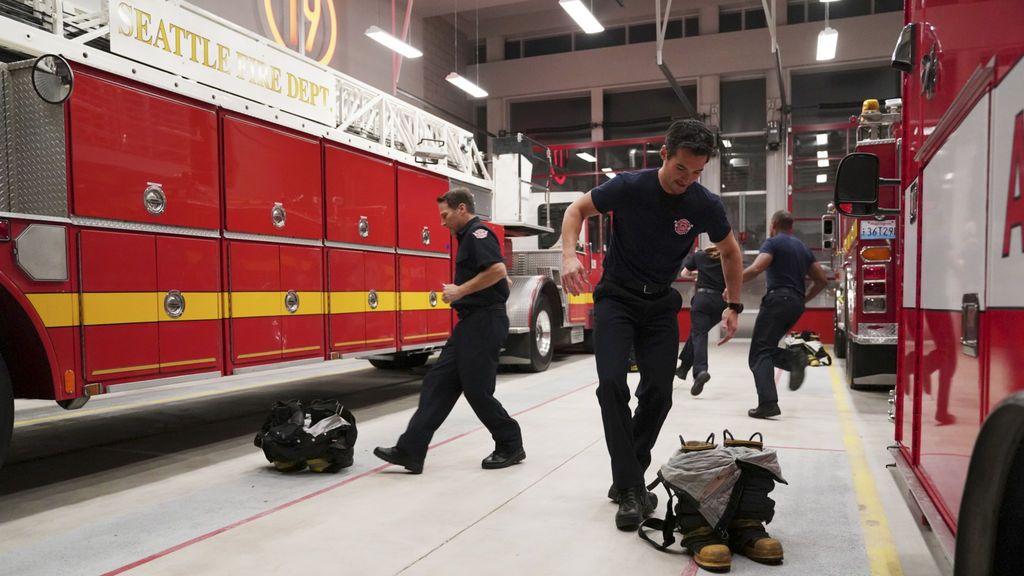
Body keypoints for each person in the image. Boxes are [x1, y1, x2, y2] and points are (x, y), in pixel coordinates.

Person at [560, 119, 744, 531]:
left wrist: (733, 304)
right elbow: (576, 209)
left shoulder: (704, 204)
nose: (687, 179)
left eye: (696, 172)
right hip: (616, 299)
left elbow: (731, 252)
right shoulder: (630, 187)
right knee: (611, 385)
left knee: (659, 394)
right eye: (681, 169)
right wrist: (569, 255)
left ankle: (627, 478)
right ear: (664, 154)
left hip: (660, 303)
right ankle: (631, 489)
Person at [374, 188, 524, 474]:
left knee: (478, 391)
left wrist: (460, 290)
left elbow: (497, 270)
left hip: (484, 322)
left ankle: (510, 443)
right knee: (437, 384)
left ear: (461, 209)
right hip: (471, 323)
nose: (442, 222)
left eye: (445, 215)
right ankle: (410, 450)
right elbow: (499, 277)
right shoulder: (467, 237)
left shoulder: (478, 234)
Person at [741, 210, 829, 419]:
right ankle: (794, 360)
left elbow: (756, 269)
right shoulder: (802, 247)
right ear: (790, 226)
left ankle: (769, 402)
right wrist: (803, 299)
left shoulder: (773, 243)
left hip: (777, 300)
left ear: (773, 225)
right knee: (766, 350)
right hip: (795, 304)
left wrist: (732, 284)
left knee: (758, 353)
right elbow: (822, 280)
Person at [676, 245, 727, 396]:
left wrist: (698, 275)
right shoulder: (727, 257)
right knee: (698, 332)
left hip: (702, 300)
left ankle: (700, 371)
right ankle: (683, 367)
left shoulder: (700, 256)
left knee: (699, 334)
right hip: (720, 303)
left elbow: (684, 273)